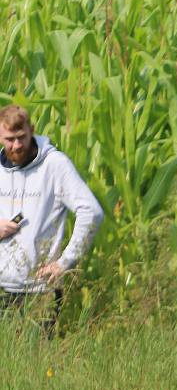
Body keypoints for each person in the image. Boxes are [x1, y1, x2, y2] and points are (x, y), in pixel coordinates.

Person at [0, 105, 103, 333]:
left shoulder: (54, 165)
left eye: (21, 138)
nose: (16, 145)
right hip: (2, 288)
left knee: (35, 363)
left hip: (40, 290)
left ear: (32, 130)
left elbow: (92, 211)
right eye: (9, 139)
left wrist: (65, 263)